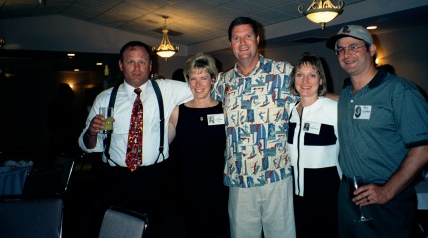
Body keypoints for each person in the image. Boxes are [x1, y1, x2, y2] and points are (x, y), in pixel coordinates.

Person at [326, 25, 428, 237]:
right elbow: (338, 102)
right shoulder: (347, 94)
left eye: (354, 47)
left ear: (371, 50)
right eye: (341, 49)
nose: (346, 54)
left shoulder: (400, 91)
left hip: (386, 198)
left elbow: (425, 149)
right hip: (349, 195)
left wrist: (387, 191)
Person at [78, 40, 192, 238]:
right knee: (115, 229)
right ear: (121, 65)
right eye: (131, 62)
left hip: (154, 177)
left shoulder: (166, 90)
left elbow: (203, 86)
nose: (137, 68)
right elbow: (89, 146)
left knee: (152, 229)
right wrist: (91, 133)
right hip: (115, 177)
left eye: (142, 62)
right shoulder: (105, 99)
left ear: (150, 65)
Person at [211, 16, 296, 238]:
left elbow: (313, 101)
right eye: (236, 38)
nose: (243, 42)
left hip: (276, 174)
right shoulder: (222, 82)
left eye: (247, 36)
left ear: (258, 39)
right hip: (238, 177)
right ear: (230, 44)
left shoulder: (284, 73)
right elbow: (199, 108)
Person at [168, 53, 229, 238]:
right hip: (187, 187)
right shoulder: (178, 111)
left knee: (218, 231)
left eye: (203, 78)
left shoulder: (225, 110)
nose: (198, 84)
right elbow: (163, 142)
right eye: (193, 79)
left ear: (213, 79)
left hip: (218, 187)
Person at [287, 52, 341, 238]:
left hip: (327, 194)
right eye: (300, 75)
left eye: (312, 75)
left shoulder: (333, 109)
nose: (305, 81)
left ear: (320, 79)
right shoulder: (290, 111)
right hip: (296, 195)